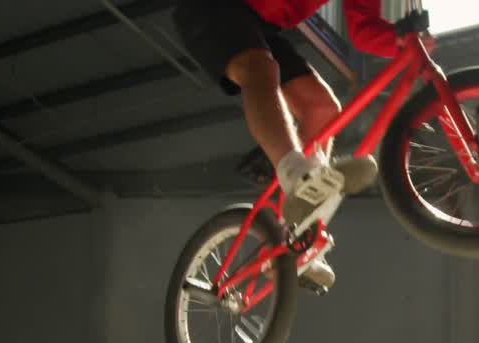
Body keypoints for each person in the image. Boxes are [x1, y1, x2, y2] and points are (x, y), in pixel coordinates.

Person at [172, 0, 403, 291]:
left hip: (259, 25)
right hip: (214, 8)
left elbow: (363, 29)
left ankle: (296, 236)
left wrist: (400, 39)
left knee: (322, 109)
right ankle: (297, 175)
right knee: (259, 69)